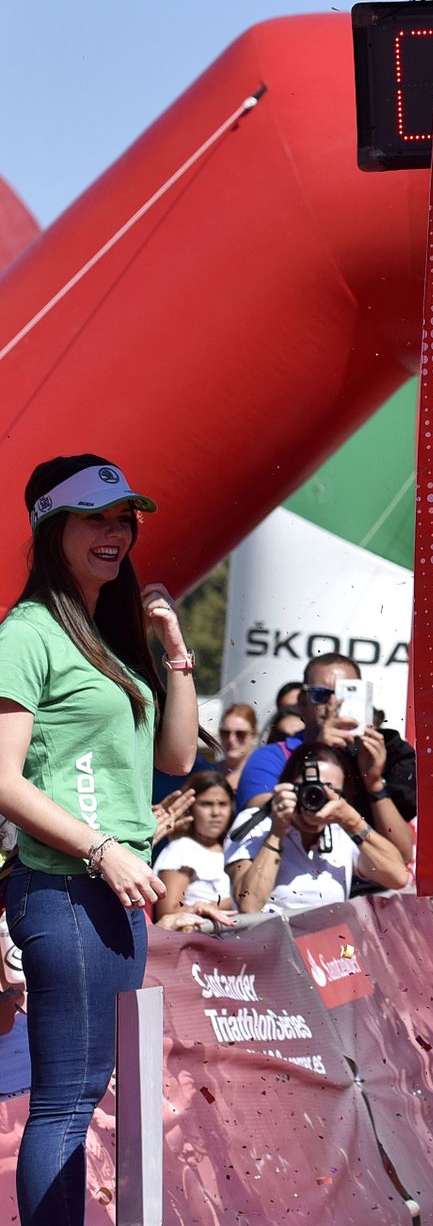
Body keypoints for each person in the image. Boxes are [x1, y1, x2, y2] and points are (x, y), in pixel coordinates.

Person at [0, 455, 198, 1225]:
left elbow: (178, 756)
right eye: (96, 517)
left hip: (114, 896)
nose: (115, 532)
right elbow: (4, 777)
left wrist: (173, 644)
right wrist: (101, 847)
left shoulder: (106, 638)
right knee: (65, 1101)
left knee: (80, 1099)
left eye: (124, 518)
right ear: (52, 528)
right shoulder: (26, 632)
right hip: (66, 890)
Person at [233, 652, 415, 891]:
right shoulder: (271, 757)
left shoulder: (381, 755)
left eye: (347, 694)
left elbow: (402, 855)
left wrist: (374, 784)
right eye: (321, 695)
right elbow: (263, 821)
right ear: (302, 703)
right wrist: (318, 750)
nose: (333, 705)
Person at [228, 742, 408, 913]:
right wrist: (277, 832)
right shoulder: (256, 824)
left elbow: (398, 878)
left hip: (325, 943)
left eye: (329, 792)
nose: (316, 799)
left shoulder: (340, 831)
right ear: (288, 786)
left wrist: (354, 822)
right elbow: (249, 905)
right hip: (271, 943)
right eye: (309, 789)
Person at [152, 771, 235, 921]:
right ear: (191, 808)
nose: (216, 812)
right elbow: (168, 913)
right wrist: (234, 903)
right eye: (206, 804)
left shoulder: (235, 850)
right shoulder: (181, 849)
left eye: (223, 804)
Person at [217, 703, 258, 790]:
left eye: (240, 734)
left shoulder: (264, 772)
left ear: (254, 735)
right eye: (225, 732)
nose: (231, 739)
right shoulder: (209, 772)